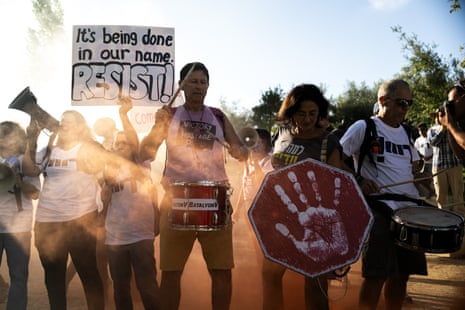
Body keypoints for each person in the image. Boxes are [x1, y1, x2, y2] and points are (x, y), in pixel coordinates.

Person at [139, 62, 248, 310]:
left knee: (221, 271)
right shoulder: (170, 116)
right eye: (193, 82)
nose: (198, 87)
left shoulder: (218, 116)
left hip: (216, 200)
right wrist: (158, 125)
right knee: (171, 272)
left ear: (208, 86)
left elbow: (241, 151)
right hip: (176, 199)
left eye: (202, 82)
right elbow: (145, 152)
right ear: (182, 86)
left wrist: (241, 149)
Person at [27, 109, 145, 310]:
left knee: (89, 275)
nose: (64, 125)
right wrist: (32, 138)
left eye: (70, 122)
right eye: (62, 121)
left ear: (80, 127)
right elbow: (30, 170)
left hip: (80, 220)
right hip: (47, 223)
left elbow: (109, 171)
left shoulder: (88, 147)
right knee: (53, 278)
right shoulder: (48, 150)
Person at [340, 79, 428, 310]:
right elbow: (335, 158)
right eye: (401, 103)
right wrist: (358, 180)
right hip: (378, 207)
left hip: (410, 211)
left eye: (409, 103)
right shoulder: (364, 127)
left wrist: (424, 179)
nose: (406, 108)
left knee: (402, 276)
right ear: (383, 101)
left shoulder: (408, 133)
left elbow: (414, 169)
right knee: (376, 275)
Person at [262, 84, 343, 310]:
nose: (307, 119)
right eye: (301, 113)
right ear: (290, 112)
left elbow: (336, 185)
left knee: (315, 283)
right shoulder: (281, 134)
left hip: (315, 220)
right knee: (270, 275)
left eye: (312, 114)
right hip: (280, 216)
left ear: (320, 113)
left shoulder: (328, 142)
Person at [102, 97, 161, 309]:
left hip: (140, 235)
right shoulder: (108, 170)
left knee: (147, 286)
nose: (119, 147)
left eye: (123, 143)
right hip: (115, 237)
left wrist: (123, 114)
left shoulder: (141, 162)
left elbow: (134, 142)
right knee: (120, 288)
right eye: (116, 144)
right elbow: (104, 202)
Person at [0, 121, 40, 310]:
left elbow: (35, 194)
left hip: (19, 227)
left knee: (18, 276)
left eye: (5, 134)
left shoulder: (25, 161)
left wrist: (19, 182)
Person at [427, 112, 464, 210]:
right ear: (436, 118)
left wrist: (450, 127)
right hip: (438, 167)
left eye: (444, 115)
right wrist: (443, 129)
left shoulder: (455, 128)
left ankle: (461, 221)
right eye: (439, 116)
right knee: (441, 197)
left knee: (458, 196)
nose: (441, 118)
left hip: (455, 165)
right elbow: (433, 142)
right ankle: (443, 222)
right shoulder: (432, 130)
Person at [239, 128, 273, 209]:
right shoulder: (248, 163)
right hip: (247, 207)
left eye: (259, 142)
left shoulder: (270, 162)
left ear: (266, 144)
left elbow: (262, 185)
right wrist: (238, 209)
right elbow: (244, 186)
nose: (254, 145)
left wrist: (255, 163)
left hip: (262, 207)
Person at [414, 122, 434, 198]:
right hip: (423, 163)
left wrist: (431, 156)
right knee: (421, 178)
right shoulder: (418, 140)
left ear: (426, 129)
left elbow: (436, 149)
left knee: (433, 179)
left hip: (433, 162)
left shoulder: (431, 138)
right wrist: (422, 157)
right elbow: (416, 151)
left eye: (423, 130)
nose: (421, 132)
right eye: (419, 130)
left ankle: (434, 192)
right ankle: (429, 191)